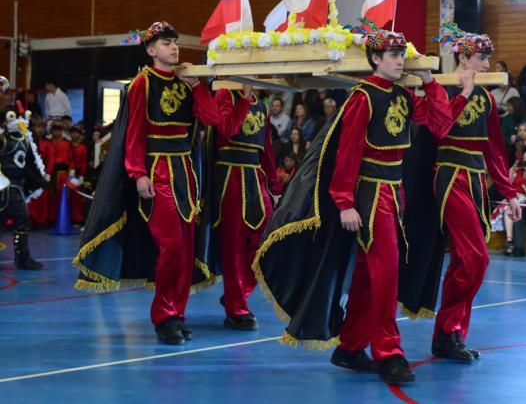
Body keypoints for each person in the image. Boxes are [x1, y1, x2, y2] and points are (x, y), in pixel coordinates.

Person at [253, 26, 452, 385]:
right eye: (392, 55)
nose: (399, 60)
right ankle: (389, 352)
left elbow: (440, 124)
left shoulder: (404, 96)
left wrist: (430, 82)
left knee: (368, 277)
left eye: (400, 55)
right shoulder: (363, 97)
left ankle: (351, 346)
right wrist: (345, 202)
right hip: (370, 196)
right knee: (387, 273)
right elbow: (347, 153)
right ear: (375, 59)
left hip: (394, 193)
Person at [74, 21, 226, 345]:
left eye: (175, 42)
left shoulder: (188, 82)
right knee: (170, 247)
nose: (174, 47)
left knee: (185, 249)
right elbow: (133, 133)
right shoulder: (142, 83)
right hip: (157, 171)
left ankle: (178, 313)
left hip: (186, 172)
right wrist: (137, 172)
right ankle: (163, 315)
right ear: (151, 49)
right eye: (166, 43)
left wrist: (197, 85)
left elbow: (215, 121)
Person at [426, 28, 521, 363]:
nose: (487, 62)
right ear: (463, 57)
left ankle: (448, 334)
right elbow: (440, 129)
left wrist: (509, 193)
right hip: (451, 176)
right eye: (481, 57)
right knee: (477, 257)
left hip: (477, 179)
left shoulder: (486, 97)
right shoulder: (440, 88)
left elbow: (494, 147)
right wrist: (462, 92)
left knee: (465, 261)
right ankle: (448, 329)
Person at [211, 86, 280, 331]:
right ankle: (236, 308)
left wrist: (274, 184)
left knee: (264, 242)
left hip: (255, 178)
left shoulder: (261, 102)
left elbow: (267, 148)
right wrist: (244, 100)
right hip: (230, 176)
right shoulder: (224, 95)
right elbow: (228, 129)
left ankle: (238, 293)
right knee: (234, 247)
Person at [0, 107, 45, 270]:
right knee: (20, 219)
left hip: (17, 186)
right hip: (6, 186)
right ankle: (23, 258)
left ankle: (23, 258)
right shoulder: (3, 139)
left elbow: (29, 164)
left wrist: (37, 180)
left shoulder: (26, 140)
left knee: (18, 220)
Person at [68, 126, 88, 224]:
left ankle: (77, 218)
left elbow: (84, 162)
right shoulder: (68, 145)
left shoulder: (82, 147)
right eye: (72, 132)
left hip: (77, 175)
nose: (74, 134)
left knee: (76, 198)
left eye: (76, 132)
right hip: (66, 174)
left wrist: (81, 176)